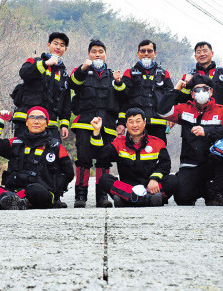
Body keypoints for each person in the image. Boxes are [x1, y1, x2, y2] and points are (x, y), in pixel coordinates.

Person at [159, 74, 223, 206]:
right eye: (197, 90)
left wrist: (207, 132)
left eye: (205, 89)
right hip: (191, 163)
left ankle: (219, 193)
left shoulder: (221, 110)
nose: (201, 92)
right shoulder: (184, 109)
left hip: (213, 163)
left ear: (211, 91)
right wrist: (176, 90)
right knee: (182, 199)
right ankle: (197, 188)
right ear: (192, 94)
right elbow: (163, 111)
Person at [0, 107, 74, 210]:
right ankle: (13, 201)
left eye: (40, 118)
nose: (36, 121)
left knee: (34, 190)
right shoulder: (15, 143)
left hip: (40, 193)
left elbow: (68, 174)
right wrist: (0, 120)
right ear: (26, 122)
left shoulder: (56, 147)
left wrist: (55, 192)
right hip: (13, 191)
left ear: (46, 123)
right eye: (32, 118)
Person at [69, 39, 125, 208]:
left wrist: (121, 122)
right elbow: (72, 84)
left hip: (107, 124)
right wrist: (83, 68)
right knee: (84, 159)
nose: (97, 54)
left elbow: (122, 100)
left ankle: (102, 196)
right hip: (85, 123)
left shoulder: (114, 75)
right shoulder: (81, 71)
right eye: (94, 51)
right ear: (89, 54)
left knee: (104, 159)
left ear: (105, 54)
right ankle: (81, 195)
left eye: (100, 51)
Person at [89, 108, 176, 207]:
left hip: (149, 187)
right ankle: (148, 199)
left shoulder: (157, 142)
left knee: (173, 180)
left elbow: (165, 166)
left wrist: (154, 179)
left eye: (138, 121)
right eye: (131, 122)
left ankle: (126, 199)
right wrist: (96, 132)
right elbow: (100, 156)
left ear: (144, 123)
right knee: (104, 179)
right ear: (126, 124)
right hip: (127, 188)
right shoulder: (118, 143)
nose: (134, 125)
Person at [11, 32, 72, 141]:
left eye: (62, 45)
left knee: (52, 154)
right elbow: (24, 73)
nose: (58, 47)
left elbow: (66, 100)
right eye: (55, 43)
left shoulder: (64, 74)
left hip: (50, 123)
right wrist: (45, 64)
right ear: (49, 45)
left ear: (65, 50)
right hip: (25, 120)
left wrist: (64, 124)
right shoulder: (34, 61)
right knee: (21, 154)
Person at [119, 40, 173, 143]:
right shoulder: (129, 73)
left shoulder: (164, 74)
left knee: (159, 156)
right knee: (132, 156)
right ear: (138, 54)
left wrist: (172, 118)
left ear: (155, 53)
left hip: (158, 126)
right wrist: (121, 123)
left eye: (149, 51)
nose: (146, 54)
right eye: (143, 51)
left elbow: (170, 98)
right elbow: (123, 99)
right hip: (135, 126)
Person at [177, 41, 223, 106]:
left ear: (212, 53)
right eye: (199, 52)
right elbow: (181, 100)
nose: (202, 54)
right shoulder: (189, 76)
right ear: (195, 56)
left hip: (221, 113)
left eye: (205, 51)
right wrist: (187, 85)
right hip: (198, 114)